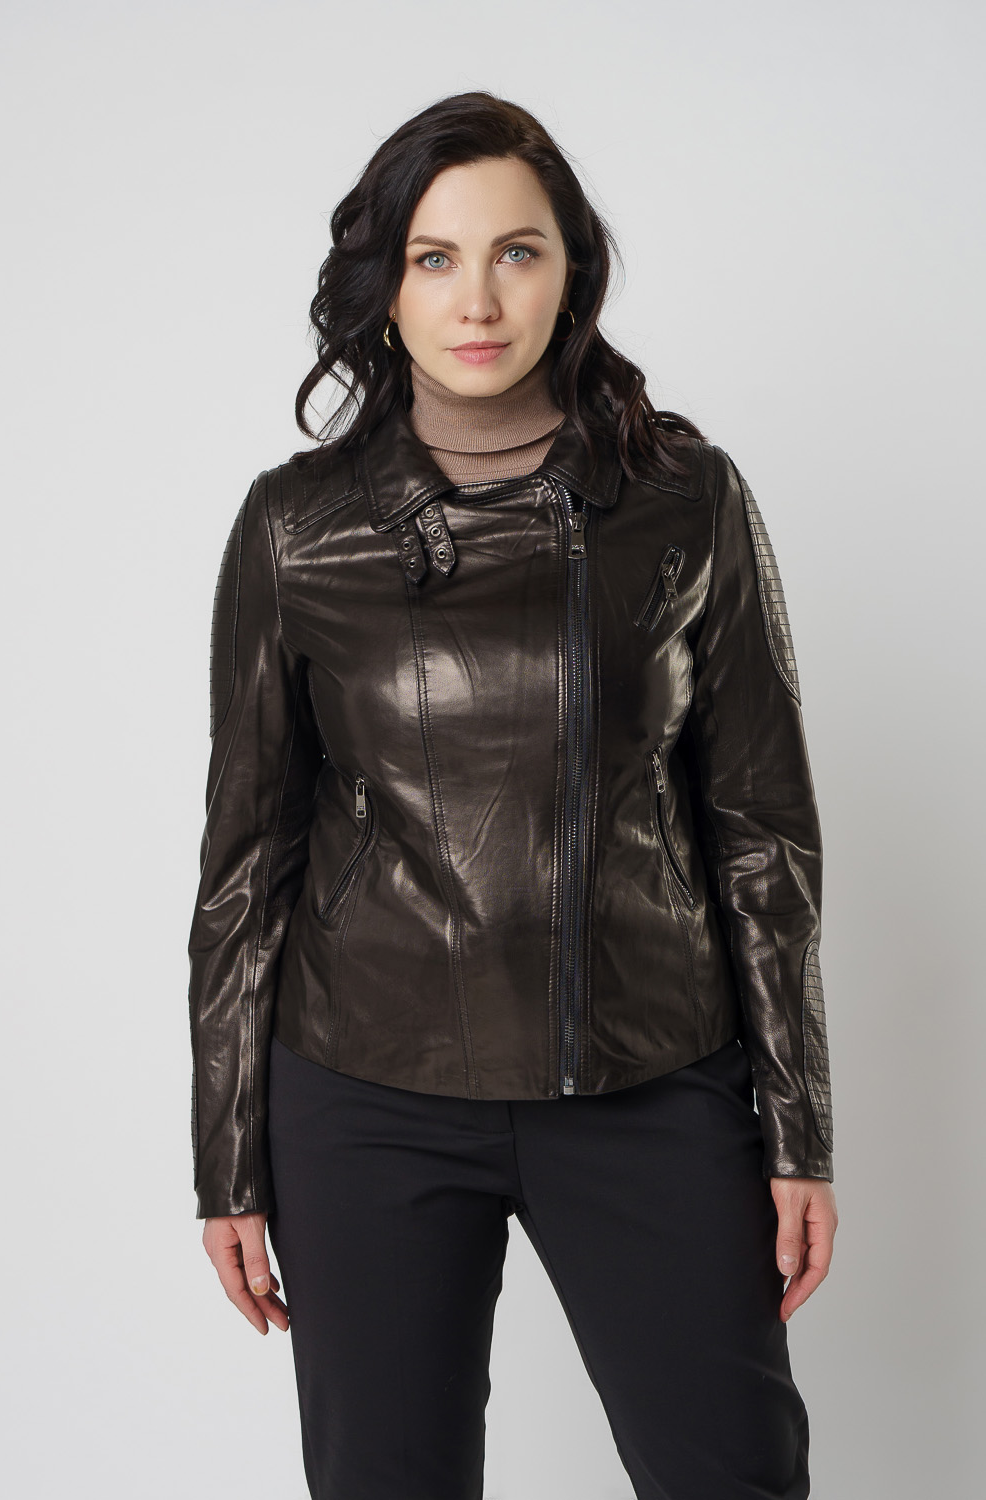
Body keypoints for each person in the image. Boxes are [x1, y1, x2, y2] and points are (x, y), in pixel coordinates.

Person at [188, 90, 838, 1500]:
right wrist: (226, 1157)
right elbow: (247, 860)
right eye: (434, 258)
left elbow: (761, 834)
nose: (476, 300)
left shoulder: (686, 498)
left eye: (516, 252)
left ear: (571, 272)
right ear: (386, 285)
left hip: (649, 1075)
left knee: (732, 1472)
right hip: (364, 1093)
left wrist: (798, 1128)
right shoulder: (296, 526)